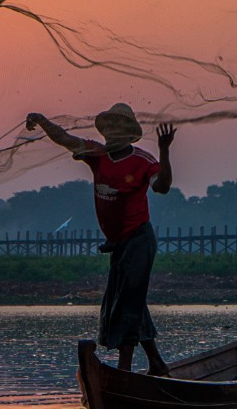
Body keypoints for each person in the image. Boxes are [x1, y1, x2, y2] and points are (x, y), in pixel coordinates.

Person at [26, 103, 174, 374]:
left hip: (139, 240)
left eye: (119, 128)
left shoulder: (142, 160)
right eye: (110, 128)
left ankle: (124, 370)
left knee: (128, 301)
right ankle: (157, 364)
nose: (113, 133)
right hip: (118, 244)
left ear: (129, 133)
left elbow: (162, 187)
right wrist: (42, 120)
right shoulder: (98, 155)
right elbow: (66, 139)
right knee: (130, 299)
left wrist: (164, 152)